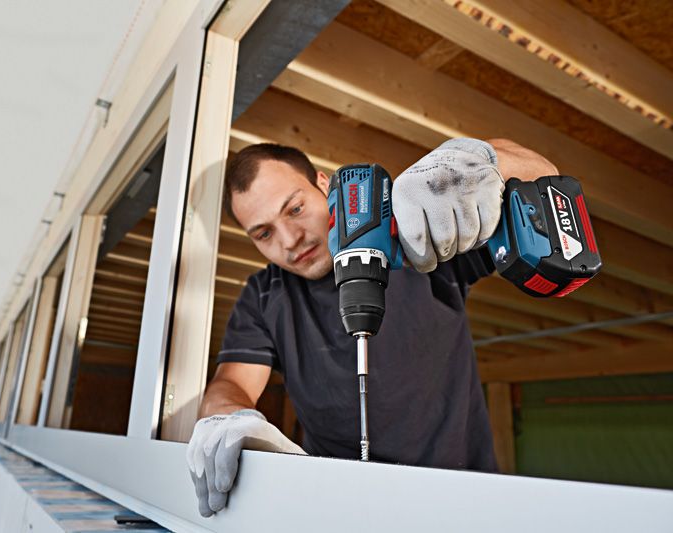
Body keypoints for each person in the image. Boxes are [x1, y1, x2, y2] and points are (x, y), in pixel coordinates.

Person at [186, 138, 558, 517]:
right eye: (264, 233)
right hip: (339, 509)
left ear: (323, 184)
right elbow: (230, 384)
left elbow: (543, 174)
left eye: (295, 209)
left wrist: (478, 161)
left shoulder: (410, 233)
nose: (290, 239)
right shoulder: (263, 296)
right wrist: (228, 420)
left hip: (463, 501)